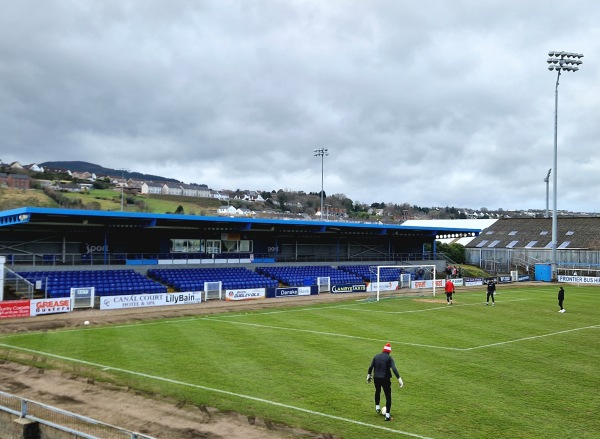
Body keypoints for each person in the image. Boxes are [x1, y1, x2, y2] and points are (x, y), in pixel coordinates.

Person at [367, 343, 403, 421]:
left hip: (376, 378)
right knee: (388, 396)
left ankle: (377, 407)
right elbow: (394, 369)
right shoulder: (389, 358)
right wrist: (399, 379)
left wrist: (368, 375)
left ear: (383, 350)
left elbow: (370, 367)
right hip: (385, 379)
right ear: (389, 351)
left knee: (377, 391)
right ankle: (387, 416)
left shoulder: (376, 356)